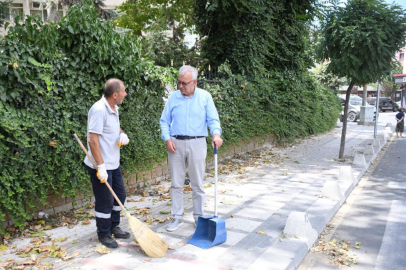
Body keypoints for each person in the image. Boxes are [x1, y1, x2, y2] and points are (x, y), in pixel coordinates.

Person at [160, 65, 223, 232]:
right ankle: (177, 217)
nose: (181, 86)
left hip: (197, 142)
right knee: (176, 183)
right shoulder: (173, 98)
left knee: (197, 183)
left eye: (184, 83)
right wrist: (167, 138)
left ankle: (198, 217)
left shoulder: (205, 97)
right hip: (176, 144)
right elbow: (164, 121)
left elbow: (213, 120)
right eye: (179, 83)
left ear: (194, 82)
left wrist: (216, 135)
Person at [84, 78, 131, 248]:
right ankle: (103, 234)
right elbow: (93, 139)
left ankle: (113, 226)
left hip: (113, 163)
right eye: (124, 91)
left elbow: (113, 127)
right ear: (115, 94)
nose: (125, 94)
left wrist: (122, 134)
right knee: (105, 200)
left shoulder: (114, 107)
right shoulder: (98, 110)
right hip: (100, 165)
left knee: (120, 196)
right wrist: (101, 167)